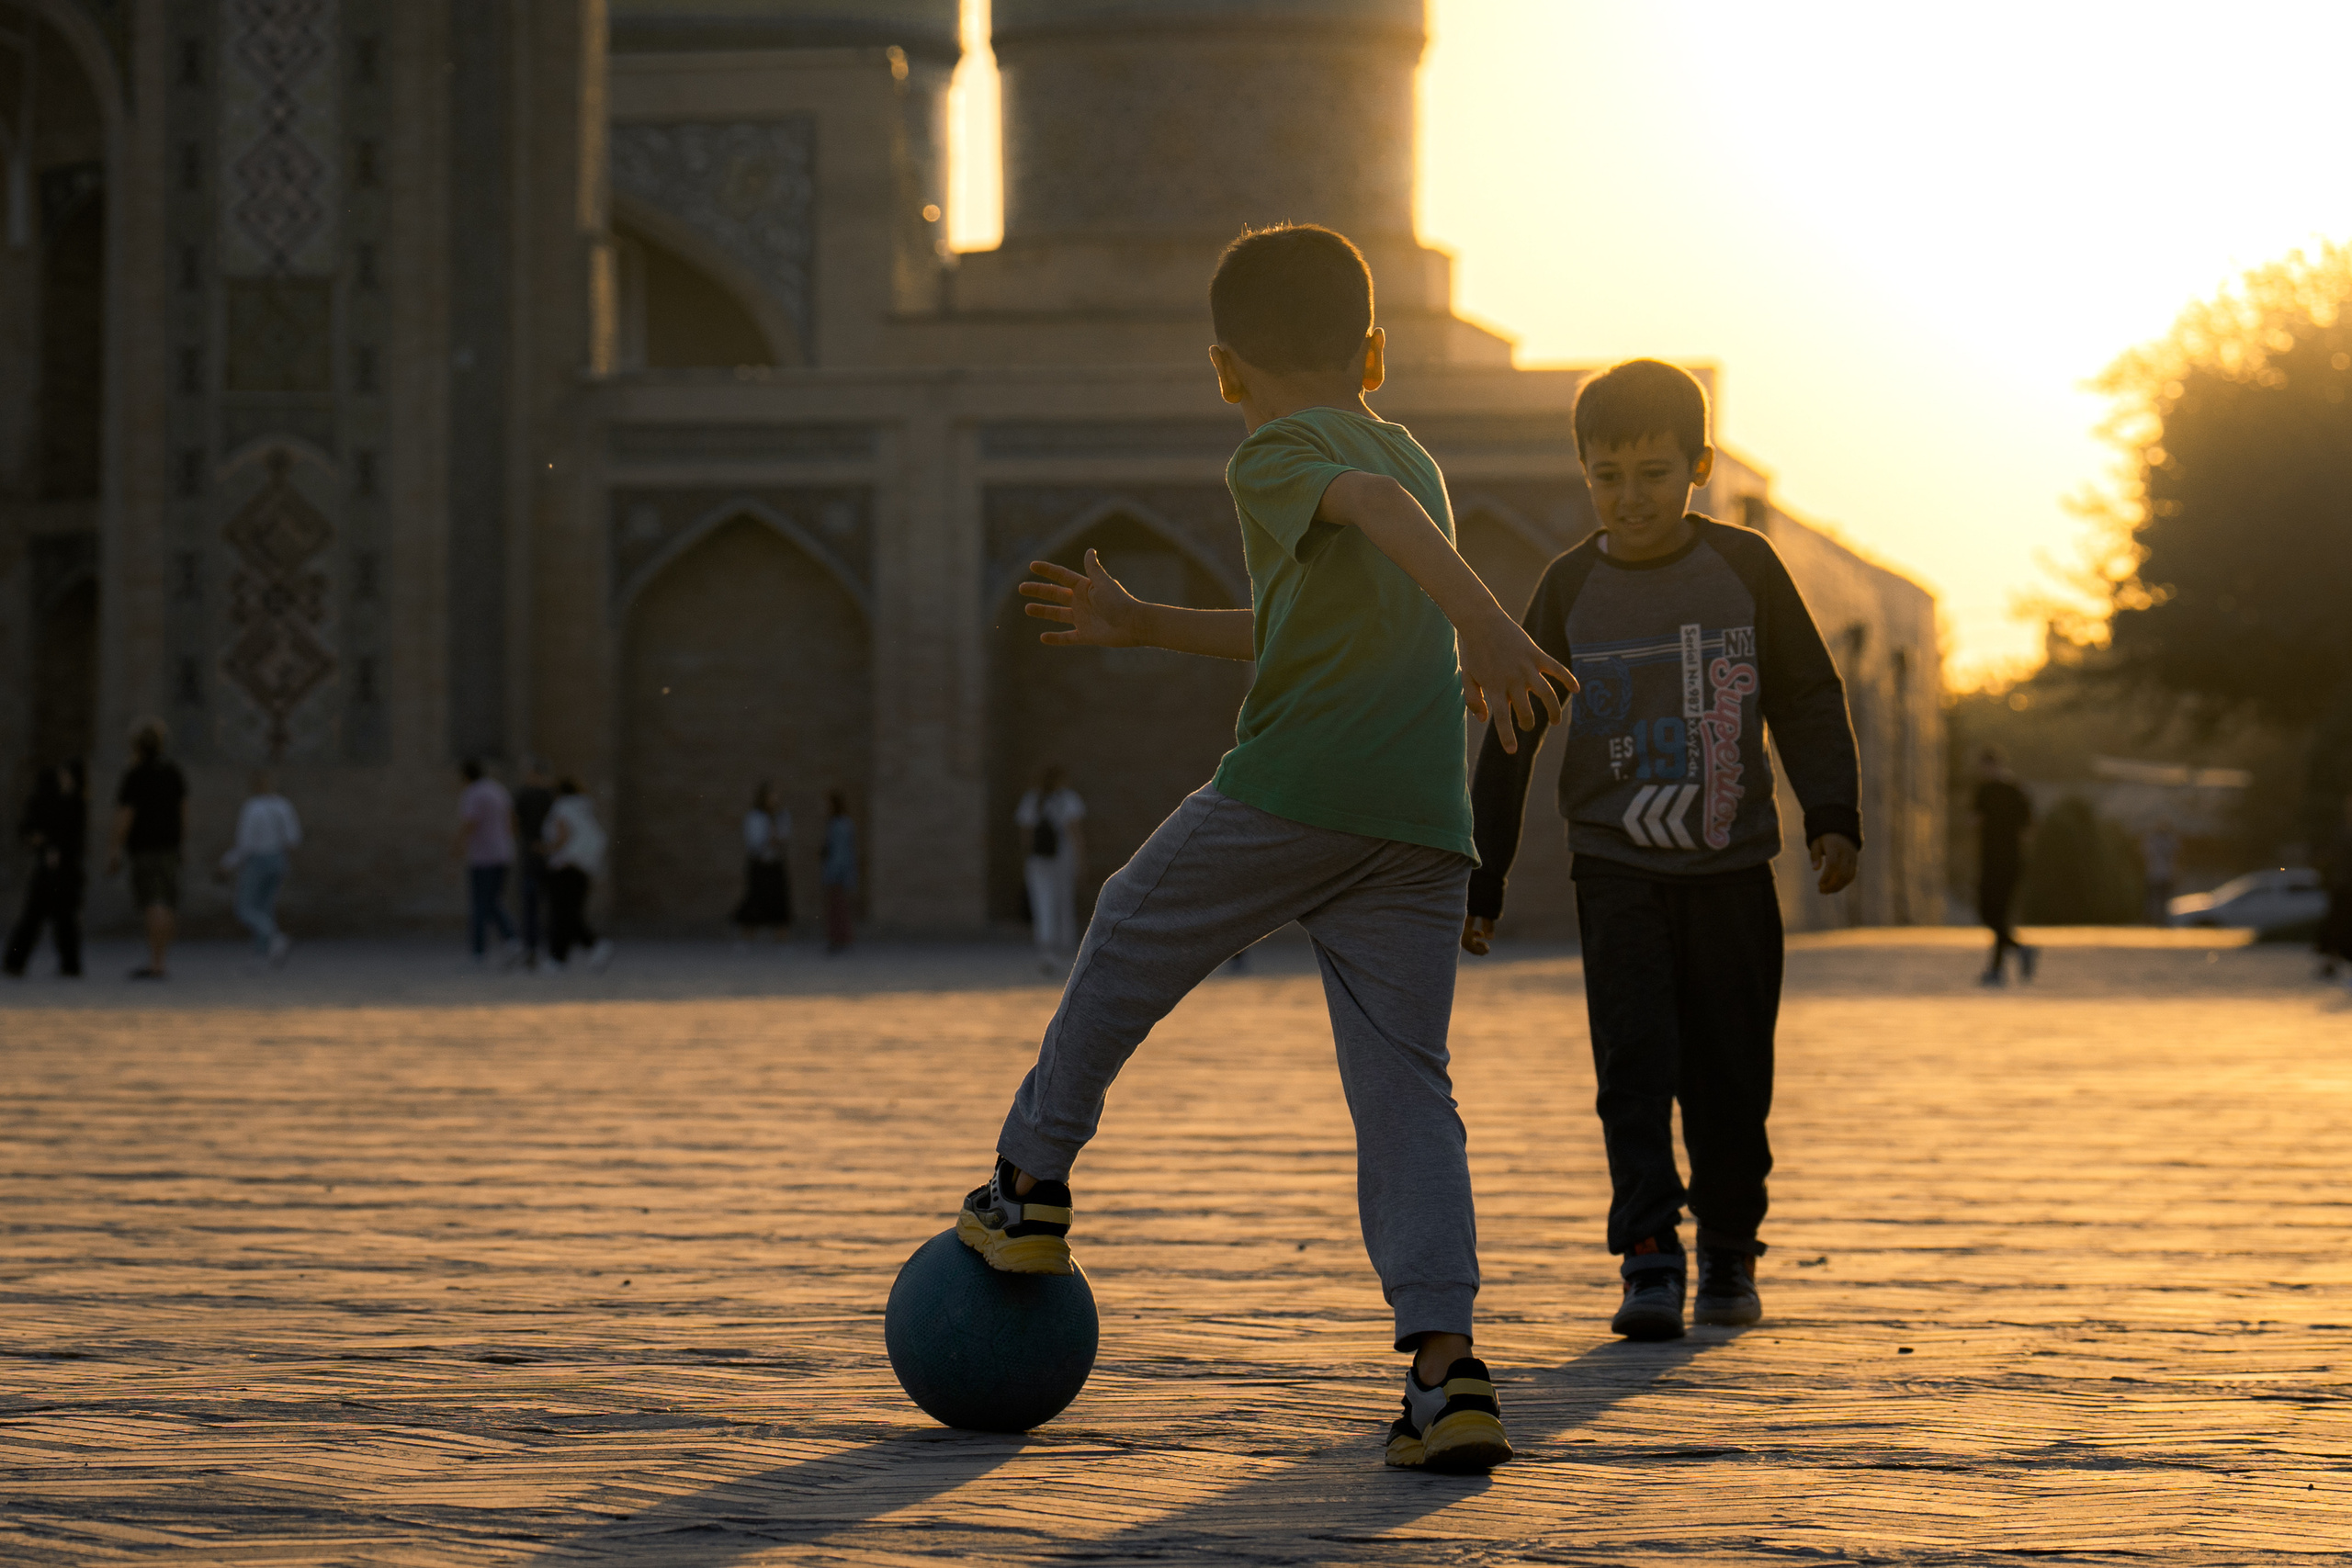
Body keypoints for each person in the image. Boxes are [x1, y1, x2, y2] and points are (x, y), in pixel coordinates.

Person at [957, 224, 1570, 1473]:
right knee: (1407, 1087)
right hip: (1417, 824)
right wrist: (1143, 624)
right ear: (1379, 353)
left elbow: (1373, 510)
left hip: (1300, 789)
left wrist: (1493, 629)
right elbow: (1301, 617)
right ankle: (1448, 1373)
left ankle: (1029, 1184)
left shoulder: (1281, 450)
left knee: (1126, 927)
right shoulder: (1414, 452)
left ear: (1225, 370)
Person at [1464, 357, 1863, 1345]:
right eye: (1608, 475)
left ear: (1698, 465)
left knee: (1732, 1069)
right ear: (1584, 475)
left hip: (1730, 867)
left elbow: (1808, 695)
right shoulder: (1568, 590)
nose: (1629, 496)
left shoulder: (1745, 572)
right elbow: (1512, 728)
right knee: (1632, 1065)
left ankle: (1729, 1243)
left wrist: (1832, 813)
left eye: (1651, 473)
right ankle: (1649, 1252)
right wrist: (1485, 874)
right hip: (1617, 869)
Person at [107, 720, 187, 980]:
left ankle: (156, 962)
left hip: (145, 848)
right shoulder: (172, 772)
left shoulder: (136, 775)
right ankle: (160, 958)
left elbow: (126, 815)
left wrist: (115, 849)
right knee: (167, 901)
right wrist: (181, 843)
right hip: (169, 846)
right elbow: (183, 812)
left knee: (153, 902)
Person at [4, 761, 87, 978]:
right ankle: (15, 961)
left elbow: (76, 836)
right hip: (47, 870)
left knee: (65, 919)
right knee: (33, 917)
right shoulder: (43, 800)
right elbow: (28, 829)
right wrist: (43, 843)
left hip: (67, 869)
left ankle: (70, 965)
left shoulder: (76, 802)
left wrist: (57, 848)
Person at [218, 771, 301, 966]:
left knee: (245, 907)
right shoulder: (283, 805)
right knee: (265, 907)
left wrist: (227, 863)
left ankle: (274, 937)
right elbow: (294, 839)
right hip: (278, 859)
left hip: (258, 860)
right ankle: (262, 953)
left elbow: (245, 843)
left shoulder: (253, 807)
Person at [1973, 748, 2036, 985]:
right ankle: (2019, 950)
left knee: (1997, 913)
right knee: (1990, 913)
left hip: (2004, 862)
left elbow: (1975, 820)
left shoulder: (2006, 791)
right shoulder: (2000, 791)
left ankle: (1997, 970)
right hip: (1998, 861)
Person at [1015, 764, 1086, 970]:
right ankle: (1065, 944)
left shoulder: (1032, 800)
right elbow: (1075, 833)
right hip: (1063, 856)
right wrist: (1081, 861)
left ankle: (1046, 943)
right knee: (1063, 900)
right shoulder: (1068, 799)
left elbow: (1025, 835)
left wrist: (1028, 857)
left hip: (1038, 859)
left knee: (1042, 901)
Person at [542, 777, 612, 973]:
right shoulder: (583, 807)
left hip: (565, 865)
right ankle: (559, 959)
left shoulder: (562, 807)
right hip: (583, 867)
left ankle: (593, 945)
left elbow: (563, 835)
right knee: (569, 913)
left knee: (563, 914)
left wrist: (545, 848)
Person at [454, 759, 518, 966]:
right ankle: (511, 940)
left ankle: (479, 951)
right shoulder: (497, 790)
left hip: (483, 857)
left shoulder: (472, 793)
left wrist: (457, 847)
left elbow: (470, 823)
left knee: (481, 904)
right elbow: (512, 820)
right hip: (503, 853)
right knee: (492, 901)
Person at [733, 781, 793, 942]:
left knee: (779, 903)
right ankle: (747, 937)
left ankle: (782, 940)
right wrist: (768, 839)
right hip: (759, 864)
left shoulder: (781, 816)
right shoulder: (755, 817)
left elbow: (784, 837)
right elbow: (754, 842)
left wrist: (776, 839)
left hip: (775, 864)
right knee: (754, 901)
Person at [512, 761, 558, 969]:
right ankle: (548, 949)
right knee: (549, 904)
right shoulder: (552, 796)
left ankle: (532, 948)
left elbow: (513, 822)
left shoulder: (525, 795)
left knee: (531, 904)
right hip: (549, 855)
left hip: (532, 855)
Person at [2319, 795, 2352, 987]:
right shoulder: (2342, 832)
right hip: (2343, 888)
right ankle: (2331, 962)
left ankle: (2332, 962)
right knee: (2338, 926)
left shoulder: (2343, 832)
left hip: (2344, 887)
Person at [820, 790, 856, 953]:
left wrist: (837, 873)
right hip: (838, 872)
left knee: (838, 909)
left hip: (837, 873)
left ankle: (840, 939)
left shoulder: (839, 824)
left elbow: (841, 853)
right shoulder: (842, 823)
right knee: (837, 908)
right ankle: (839, 939)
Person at [2140, 818, 2179, 926]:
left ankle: (2160, 920)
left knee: (2161, 900)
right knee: (2156, 900)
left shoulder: (2155, 840)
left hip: (2159, 875)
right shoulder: (2158, 840)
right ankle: (2155, 920)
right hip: (2158, 875)